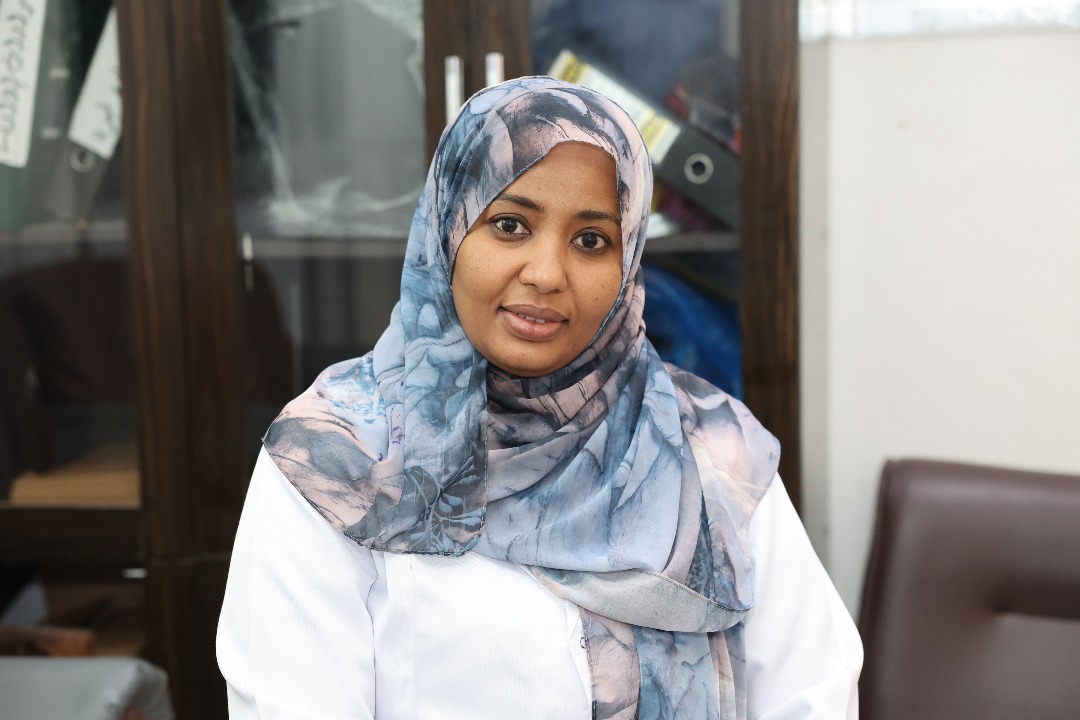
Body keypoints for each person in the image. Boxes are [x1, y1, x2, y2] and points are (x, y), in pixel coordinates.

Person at [216, 77, 861, 719]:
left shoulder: (711, 452)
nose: (547, 274)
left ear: (629, 259)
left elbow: (815, 695)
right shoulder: (335, 458)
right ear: (448, 228)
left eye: (591, 240)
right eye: (509, 225)